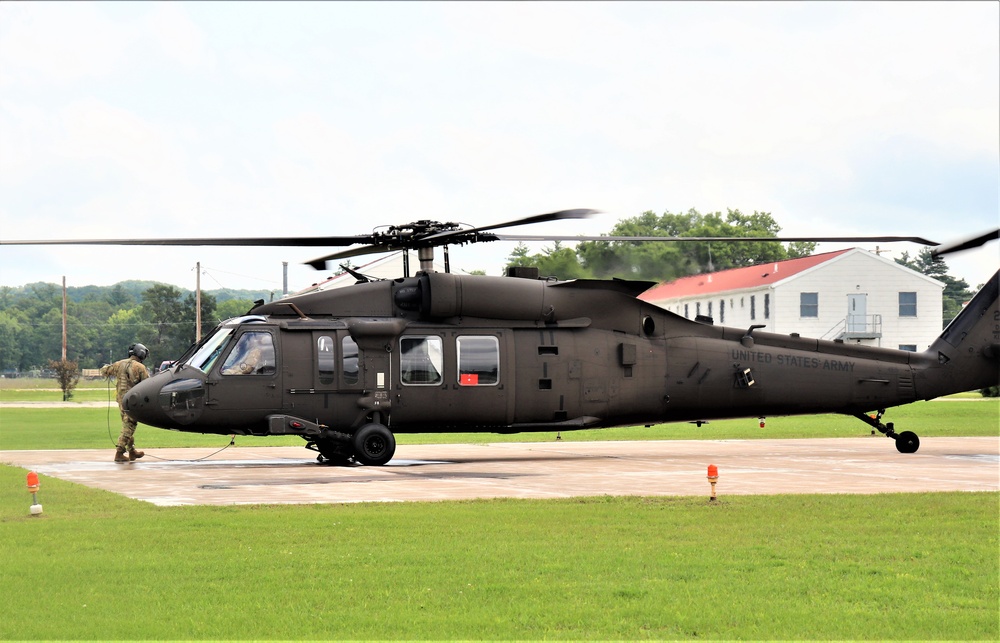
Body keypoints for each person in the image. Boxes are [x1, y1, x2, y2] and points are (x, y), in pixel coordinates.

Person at [100, 343, 150, 463]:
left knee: (127, 424)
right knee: (130, 425)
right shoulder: (140, 368)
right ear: (141, 354)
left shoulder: (119, 364)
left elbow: (104, 371)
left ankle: (132, 451)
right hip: (133, 401)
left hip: (121, 400)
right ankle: (119, 452)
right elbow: (149, 385)